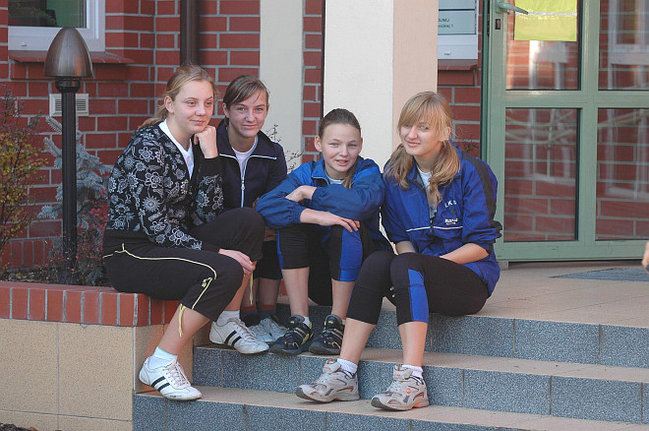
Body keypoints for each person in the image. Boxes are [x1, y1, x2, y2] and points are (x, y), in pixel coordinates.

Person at [295, 91, 502, 411]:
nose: (411, 134)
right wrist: (413, 268)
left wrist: (424, 268)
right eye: (407, 125)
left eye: (423, 127)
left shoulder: (471, 171)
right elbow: (400, 239)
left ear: (445, 132)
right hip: (415, 277)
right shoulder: (394, 174)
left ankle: (412, 380)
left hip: (467, 279)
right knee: (378, 262)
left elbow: (480, 247)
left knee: (406, 265)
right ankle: (344, 371)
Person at [102, 65, 266, 401]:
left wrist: (211, 157)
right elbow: (157, 229)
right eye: (191, 103)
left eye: (208, 103)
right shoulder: (148, 148)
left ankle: (226, 321)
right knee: (224, 269)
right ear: (170, 103)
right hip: (133, 252)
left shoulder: (196, 143)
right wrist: (217, 253)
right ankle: (160, 362)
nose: (201, 111)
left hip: (173, 241)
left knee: (248, 222)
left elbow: (207, 214)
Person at [256, 108, 389, 356]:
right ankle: (300, 323)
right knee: (291, 221)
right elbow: (266, 206)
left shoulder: (368, 171)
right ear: (318, 143)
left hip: (362, 282)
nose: (343, 153)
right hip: (320, 280)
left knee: (346, 222)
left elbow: (360, 204)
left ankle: (338, 324)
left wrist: (310, 193)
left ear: (361, 145)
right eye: (334, 144)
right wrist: (316, 216)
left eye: (351, 145)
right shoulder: (307, 173)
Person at [209, 75, 288, 345]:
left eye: (258, 109)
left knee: (278, 228)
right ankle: (247, 316)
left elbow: (275, 200)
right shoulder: (209, 146)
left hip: (256, 228)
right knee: (249, 225)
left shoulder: (272, 152)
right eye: (241, 108)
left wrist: (266, 220)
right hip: (218, 228)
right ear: (226, 110)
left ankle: (267, 316)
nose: (250, 117)